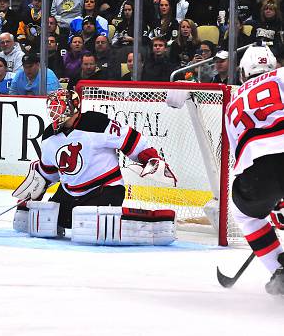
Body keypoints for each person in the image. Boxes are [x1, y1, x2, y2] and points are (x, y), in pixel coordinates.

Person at [11, 88, 173, 241]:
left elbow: (129, 139)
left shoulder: (96, 123)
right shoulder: (48, 136)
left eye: (59, 106)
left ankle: (143, 221)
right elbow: (49, 172)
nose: (55, 111)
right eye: (53, 107)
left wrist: (149, 158)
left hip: (105, 190)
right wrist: (37, 188)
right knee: (47, 221)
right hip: (70, 193)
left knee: (91, 222)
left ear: (73, 107)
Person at [225, 45, 284, 295]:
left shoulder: (233, 103)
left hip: (258, 173)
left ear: (242, 73)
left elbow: (241, 158)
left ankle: (279, 271)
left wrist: (273, 198)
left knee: (246, 215)